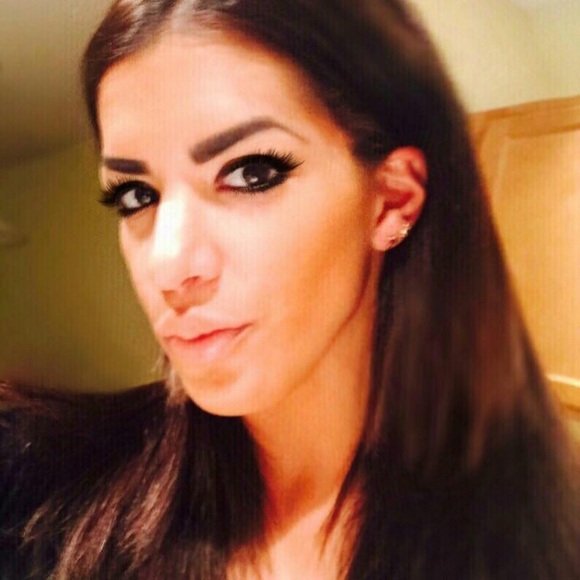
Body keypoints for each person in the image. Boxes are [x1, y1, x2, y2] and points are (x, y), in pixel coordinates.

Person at [1, 0, 579, 578]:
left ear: (391, 200)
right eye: (136, 195)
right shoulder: (44, 482)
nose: (168, 265)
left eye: (251, 172)